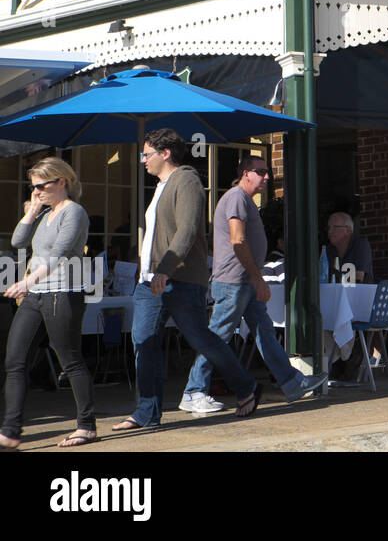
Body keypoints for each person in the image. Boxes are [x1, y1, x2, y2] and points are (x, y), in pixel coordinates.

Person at [114, 129, 263, 431]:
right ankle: (147, 411)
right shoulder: (159, 187)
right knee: (144, 341)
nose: (142, 160)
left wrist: (165, 268)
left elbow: (186, 230)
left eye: (147, 154)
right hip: (149, 281)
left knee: (201, 339)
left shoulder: (187, 180)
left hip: (179, 279)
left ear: (165, 153)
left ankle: (246, 386)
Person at [180, 155, 327, 414]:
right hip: (235, 282)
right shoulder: (237, 198)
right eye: (261, 172)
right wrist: (258, 278)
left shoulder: (245, 200)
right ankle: (194, 391)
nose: (266, 177)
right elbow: (238, 241)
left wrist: (255, 278)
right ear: (246, 173)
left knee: (264, 332)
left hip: (245, 280)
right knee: (218, 337)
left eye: (267, 172)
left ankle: (292, 383)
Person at [1, 158, 97, 449]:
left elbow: (60, 253)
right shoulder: (44, 214)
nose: (38, 191)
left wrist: (26, 282)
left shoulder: (74, 212)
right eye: (33, 188)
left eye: (42, 186)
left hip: (63, 293)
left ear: (62, 182)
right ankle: (10, 430)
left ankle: (87, 425)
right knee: (15, 360)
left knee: (70, 360)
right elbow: (18, 241)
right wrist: (31, 211)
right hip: (36, 295)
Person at [325, 212, 372, 284]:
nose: (330, 231)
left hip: (359, 294)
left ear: (347, 230)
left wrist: (336, 281)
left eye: (335, 227)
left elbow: (358, 278)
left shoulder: (360, 245)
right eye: (329, 228)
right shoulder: (328, 250)